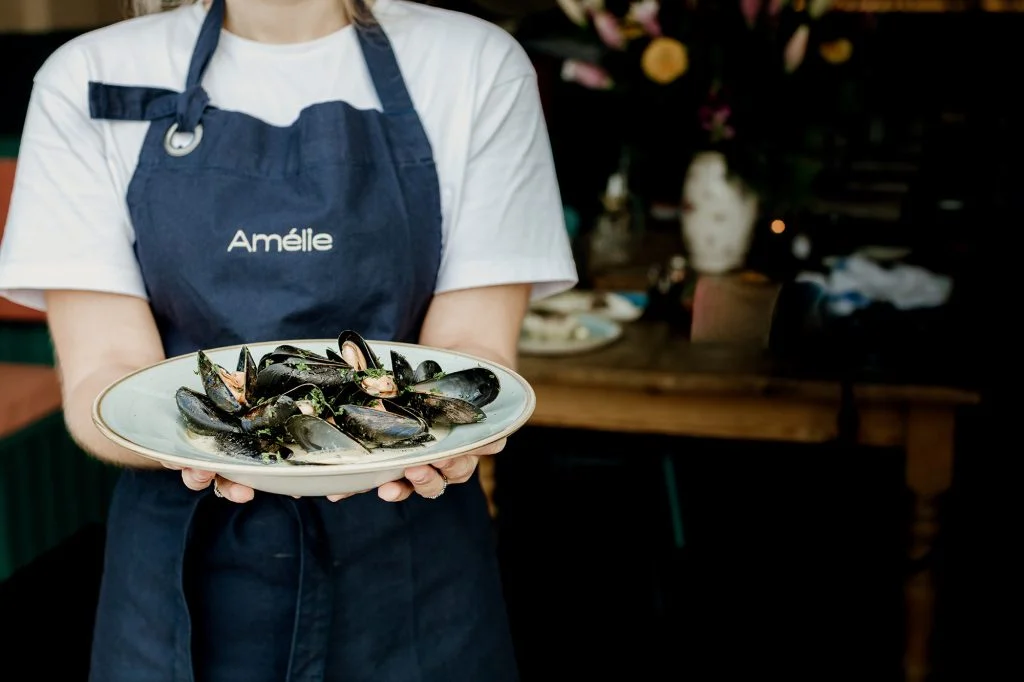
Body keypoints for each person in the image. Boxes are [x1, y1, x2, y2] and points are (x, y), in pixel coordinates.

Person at [0, 0, 577, 679]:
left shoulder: (477, 64)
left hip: (413, 561)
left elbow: (469, 352)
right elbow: (107, 370)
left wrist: (442, 437)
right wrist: (204, 438)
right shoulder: (87, 74)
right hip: (180, 570)